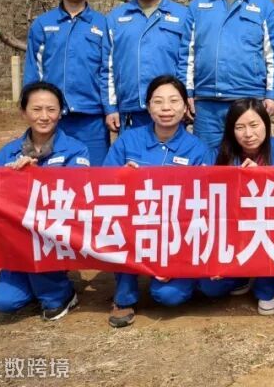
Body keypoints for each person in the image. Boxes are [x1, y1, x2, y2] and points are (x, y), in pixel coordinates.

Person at [103, 75, 243, 329]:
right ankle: (124, 297)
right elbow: (103, 186)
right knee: (118, 226)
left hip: (178, 231)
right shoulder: (127, 141)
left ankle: (190, 277)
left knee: (172, 295)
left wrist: (174, 258)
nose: (166, 108)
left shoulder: (197, 149)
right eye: (158, 102)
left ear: (185, 107)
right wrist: (120, 177)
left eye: (174, 101)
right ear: (148, 106)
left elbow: (206, 203)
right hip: (136, 225)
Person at [0, 82, 89, 320]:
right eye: (36, 109)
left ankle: (62, 293)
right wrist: (11, 179)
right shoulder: (8, 153)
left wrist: (37, 176)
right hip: (18, 238)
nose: (44, 116)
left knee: (51, 299)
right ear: (23, 112)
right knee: (3, 302)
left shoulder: (76, 150)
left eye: (51, 109)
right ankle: (29, 279)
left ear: (61, 112)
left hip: (54, 235)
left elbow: (77, 194)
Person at [178, 0, 274, 148]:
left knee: (249, 161)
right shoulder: (199, 5)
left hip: (249, 101)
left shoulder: (265, 6)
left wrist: (273, 95)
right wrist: (186, 92)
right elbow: (186, 54)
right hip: (206, 103)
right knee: (208, 161)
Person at [213, 98, 274, 316]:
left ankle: (266, 288)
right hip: (233, 223)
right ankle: (240, 276)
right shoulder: (221, 153)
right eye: (240, 127)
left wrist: (261, 177)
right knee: (211, 288)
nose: (248, 134)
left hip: (270, 223)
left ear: (266, 125)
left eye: (254, 125)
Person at [24, 0, 111, 165]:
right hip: (53, 117)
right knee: (51, 175)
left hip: (92, 118)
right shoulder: (43, 24)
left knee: (94, 174)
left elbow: (108, 72)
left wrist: (110, 109)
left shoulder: (103, 24)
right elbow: (33, 70)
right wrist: (31, 106)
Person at [103, 0, 189, 133]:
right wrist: (110, 108)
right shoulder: (115, 19)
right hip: (130, 111)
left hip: (170, 111)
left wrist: (186, 99)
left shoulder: (183, 16)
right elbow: (107, 67)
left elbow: (187, 63)